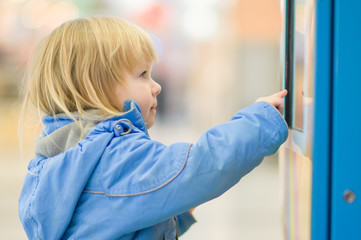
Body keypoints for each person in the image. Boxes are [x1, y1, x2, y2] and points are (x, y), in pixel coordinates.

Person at [18, 17, 288, 240]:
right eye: (143, 75)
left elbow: (113, 220)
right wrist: (258, 121)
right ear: (96, 87)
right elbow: (200, 166)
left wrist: (177, 209)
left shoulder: (59, 158)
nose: (156, 86)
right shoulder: (115, 156)